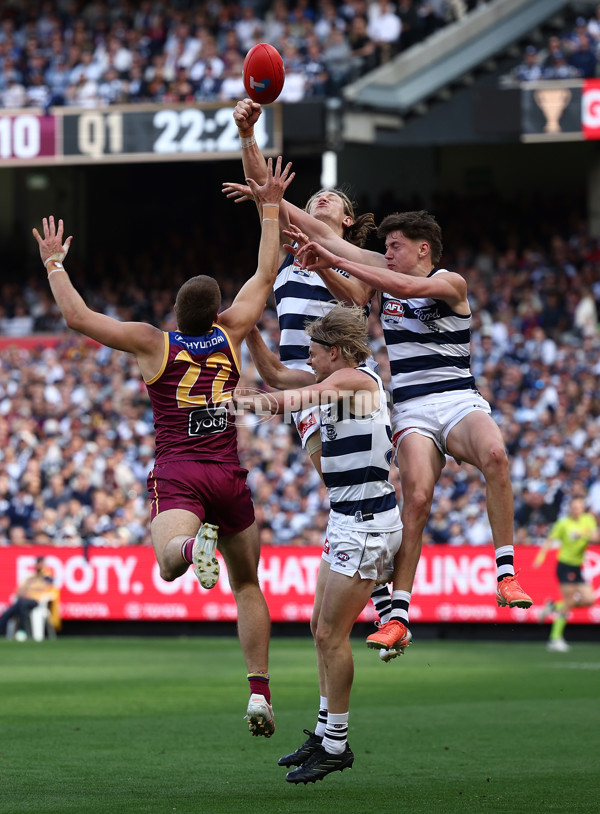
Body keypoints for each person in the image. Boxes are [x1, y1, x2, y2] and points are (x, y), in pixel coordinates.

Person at [31, 155, 294, 737]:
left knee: (169, 565)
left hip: (179, 473)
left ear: (177, 313)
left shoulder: (155, 344)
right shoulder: (234, 331)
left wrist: (54, 264)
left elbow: (77, 318)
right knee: (247, 583)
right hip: (228, 474)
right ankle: (259, 692)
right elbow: (264, 273)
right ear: (217, 310)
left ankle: (186, 548)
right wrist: (269, 207)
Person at [290, 209, 533, 656]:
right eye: (385, 248)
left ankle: (505, 573)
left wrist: (328, 257)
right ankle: (398, 616)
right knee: (417, 498)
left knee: (496, 455)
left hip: (459, 399)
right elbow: (324, 232)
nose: (387, 254)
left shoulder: (449, 281)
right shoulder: (387, 270)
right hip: (413, 410)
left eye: (394, 246)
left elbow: (402, 287)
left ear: (423, 248)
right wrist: (271, 197)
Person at [236, 303, 402, 783]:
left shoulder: (354, 381)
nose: (308, 361)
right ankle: (326, 732)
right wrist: (247, 334)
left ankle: (338, 744)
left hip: (366, 522)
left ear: (334, 352)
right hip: (347, 519)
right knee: (319, 627)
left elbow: (291, 397)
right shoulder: (336, 383)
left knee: (332, 634)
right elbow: (283, 381)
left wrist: (240, 403)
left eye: (312, 353)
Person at [534, 496, 598, 652]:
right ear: (570, 508)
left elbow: (596, 537)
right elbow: (550, 540)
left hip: (578, 566)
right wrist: (540, 557)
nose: (577, 509)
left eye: (579, 506)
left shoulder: (588, 520)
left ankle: (553, 606)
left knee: (589, 599)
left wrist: (586, 534)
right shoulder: (563, 523)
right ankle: (554, 639)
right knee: (569, 600)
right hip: (565, 565)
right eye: (574, 507)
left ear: (583, 508)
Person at [0, 556, 60, 641]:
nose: (39, 565)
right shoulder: (31, 577)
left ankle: (22, 630)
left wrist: (29, 590)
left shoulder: (47, 576)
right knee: (11, 610)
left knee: (21, 604)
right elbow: (19, 590)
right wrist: (26, 591)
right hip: (23, 600)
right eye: (38, 563)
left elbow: (45, 587)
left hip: (36, 601)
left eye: (41, 563)